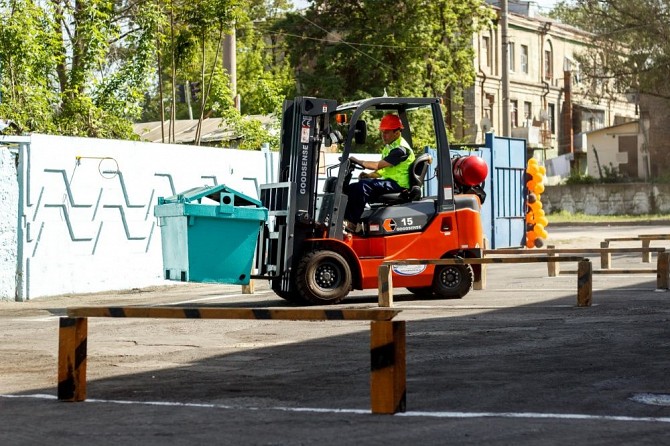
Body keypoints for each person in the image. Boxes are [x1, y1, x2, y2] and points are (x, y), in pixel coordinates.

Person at [344, 113, 415, 229]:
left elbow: (378, 165)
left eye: (386, 132)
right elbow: (383, 171)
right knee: (351, 187)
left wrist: (358, 161)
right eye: (382, 132)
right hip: (390, 182)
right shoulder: (390, 147)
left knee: (363, 187)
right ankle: (345, 220)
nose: (383, 135)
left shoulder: (400, 150)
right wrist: (369, 175)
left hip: (399, 185)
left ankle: (352, 223)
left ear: (397, 133)